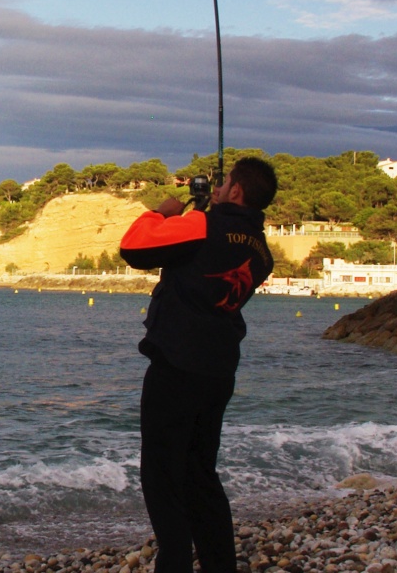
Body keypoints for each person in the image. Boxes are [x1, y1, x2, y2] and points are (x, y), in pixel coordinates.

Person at [118, 157, 277, 573]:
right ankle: (219, 564)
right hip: (218, 370)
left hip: (176, 365)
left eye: (224, 184)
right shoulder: (263, 252)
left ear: (237, 191)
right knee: (200, 476)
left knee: (161, 476)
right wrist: (204, 212)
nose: (219, 188)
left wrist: (163, 212)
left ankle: (174, 565)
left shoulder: (202, 225)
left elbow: (133, 248)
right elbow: (209, 269)